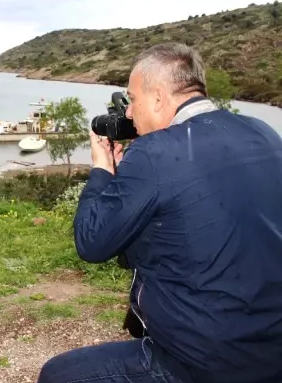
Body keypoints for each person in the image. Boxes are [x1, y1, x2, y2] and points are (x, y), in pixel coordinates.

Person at [37, 42, 282, 383]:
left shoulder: (155, 152)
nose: (129, 115)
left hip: (209, 361)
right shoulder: (264, 132)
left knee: (58, 375)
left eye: (132, 100)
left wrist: (102, 170)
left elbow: (91, 242)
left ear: (157, 98)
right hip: (271, 348)